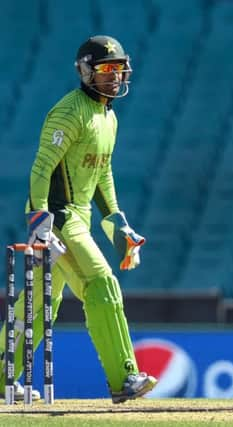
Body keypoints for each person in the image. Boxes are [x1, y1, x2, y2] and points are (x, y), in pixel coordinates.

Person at [0, 35, 157, 403]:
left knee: (38, 302)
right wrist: (40, 223)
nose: (114, 76)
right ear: (85, 72)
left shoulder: (109, 116)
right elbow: (42, 168)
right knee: (101, 284)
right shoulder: (69, 112)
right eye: (105, 69)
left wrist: (118, 224)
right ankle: (125, 377)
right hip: (58, 217)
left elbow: (102, 173)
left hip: (80, 217)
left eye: (119, 69)